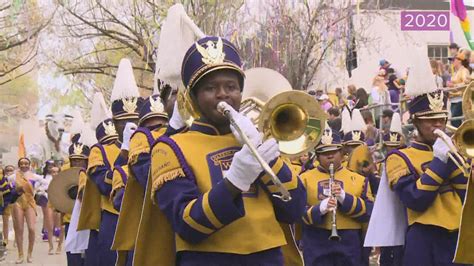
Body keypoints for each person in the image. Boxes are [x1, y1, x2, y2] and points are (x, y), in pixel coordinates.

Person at [139, 36, 307, 265]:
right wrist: (235, 181)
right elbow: (187, 225)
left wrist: (263, 154)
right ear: (194, 97)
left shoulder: (255, 137)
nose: (223, 94)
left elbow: (294, 208)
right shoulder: (171, 147)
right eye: (210, 88)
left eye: (231, 87)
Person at [386, 54, 468, 265]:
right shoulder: (399, 157)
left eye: (441, 120)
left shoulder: (456, 151)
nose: (438, 125)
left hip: (458, 234)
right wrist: (439, 161)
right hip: (424, 237)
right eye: (430, 120)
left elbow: (465, 195)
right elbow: (415, 199)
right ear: (416, 122)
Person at [78, 58, 142, 266]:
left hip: (143, 216)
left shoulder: (148, 143)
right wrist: (123, 151)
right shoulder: (99, 151)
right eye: (124, 123)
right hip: (114, 218)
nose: (129, 126)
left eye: (134, 121)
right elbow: (105, 185)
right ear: (115, 123)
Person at [111, 94, 171, 265]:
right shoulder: (139, 142)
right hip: (147, 227)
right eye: (152, 127)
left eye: (162, 125)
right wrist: (125, 150)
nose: (159, 130)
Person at [300, 125, 374, 265]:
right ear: (317, 154)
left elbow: (369, 212)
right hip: (316, 239)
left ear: (342, 152)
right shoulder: (304, 178)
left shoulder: (359, 179)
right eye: (324, 152)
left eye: (334, 151)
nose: (330, 156)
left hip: (349, 241)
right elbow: (297, 213)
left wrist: (344, 198)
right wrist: (320, 208)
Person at [9, 157, 48, 263]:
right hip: (18, 203)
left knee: (31, 228)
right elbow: (8, 187)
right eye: (21, 163)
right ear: (19, 165)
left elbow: (46, 183)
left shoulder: (34, 176)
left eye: (26, 163)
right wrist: (14, 190)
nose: (24, 165)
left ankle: (30, 253)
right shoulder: (13, 177)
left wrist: (38, 190)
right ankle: (20, 254)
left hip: (30, 203)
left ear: (29, 165)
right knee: (19, 229)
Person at [447, 51, 470, 127]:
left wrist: (453, 85)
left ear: (459, 61)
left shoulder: (464, 71)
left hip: (460, 99)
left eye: (453, 60)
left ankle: (459, 136)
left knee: (455, 120)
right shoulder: (455, 72)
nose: (452, 62)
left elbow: (466, 83)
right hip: (454, 99)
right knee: (454, 120)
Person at [2, 165, 15, 246]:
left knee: (16, 221)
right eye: (7, 170)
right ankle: (5, 239)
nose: (9, 172)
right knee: (5, 221)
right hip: (6, 202)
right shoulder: (3, 180)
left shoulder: (17, 180)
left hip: (15, 202)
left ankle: (17, 239)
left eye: (11, 170)